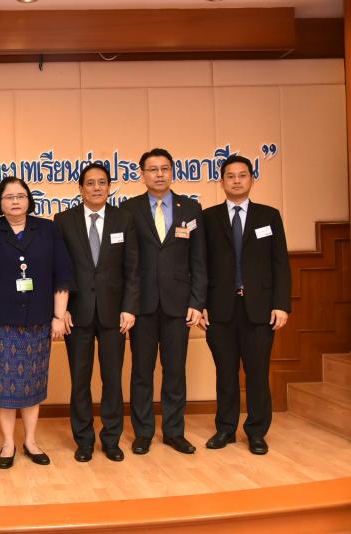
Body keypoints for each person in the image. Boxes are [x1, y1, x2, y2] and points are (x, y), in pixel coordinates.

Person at [0, 177, 73, 469]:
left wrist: (58, 316)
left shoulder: (48, 230)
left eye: (21, 196)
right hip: (0, 325)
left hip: (38, 323)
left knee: (32, 385)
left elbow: (62, 274)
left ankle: (31, 441)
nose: (15, 201)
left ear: (29, 200)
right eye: (9, 197)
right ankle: (8, 443)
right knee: (4, 387)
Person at [199, 154, 291, 455]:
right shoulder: (208, 218)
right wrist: (200, 304)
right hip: (220, 309)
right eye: (230, 176)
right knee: (225, 373)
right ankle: (225, 429)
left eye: (242, 175)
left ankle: (256, 431)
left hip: (260, 309)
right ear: (221, 181)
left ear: (252, 179)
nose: (236, 181)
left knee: (257, 373)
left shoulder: (269, 216)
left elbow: (280, 263)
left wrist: (281, 304)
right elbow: (200, 264)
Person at [120, 148, 207, 455]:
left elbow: (199, 260)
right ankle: (143, 432)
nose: (159, 174)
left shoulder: (190, 208)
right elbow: (125, 262)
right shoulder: (128, 209)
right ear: (142, 174)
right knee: (141, 372)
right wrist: (127, 305)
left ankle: (173, 431)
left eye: (164, 169)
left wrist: (197, 301)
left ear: (172, 172)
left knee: (175, 371)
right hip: (141, 305)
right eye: (153, 169)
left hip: (179, 305)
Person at [54, 162, 139, 463]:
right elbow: (58, 269)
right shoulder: (64, 220)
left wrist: (129, 307)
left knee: (112, 379)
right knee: (80, 381)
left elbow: (133, 268)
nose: (96, 188)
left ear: (109, 186)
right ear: (80, 188)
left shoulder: (124, 219)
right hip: (76, 314)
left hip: (114, 314)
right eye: (90, 183)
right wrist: (61, 310)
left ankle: (111, 439)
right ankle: (84, 440)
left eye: (102, 182)